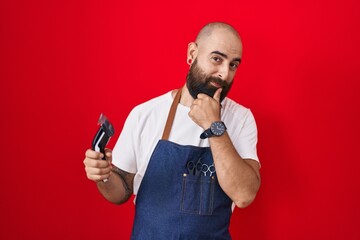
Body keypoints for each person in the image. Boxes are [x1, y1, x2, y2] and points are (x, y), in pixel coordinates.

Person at [84, 22, 261, 239]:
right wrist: (103, 176)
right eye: (217, 59)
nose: (224, 73)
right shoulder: (145, 114)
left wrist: (214, 127)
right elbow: (121, 191)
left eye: (233, 65)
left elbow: (244, 195)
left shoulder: (241, 119)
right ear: (192, 53)